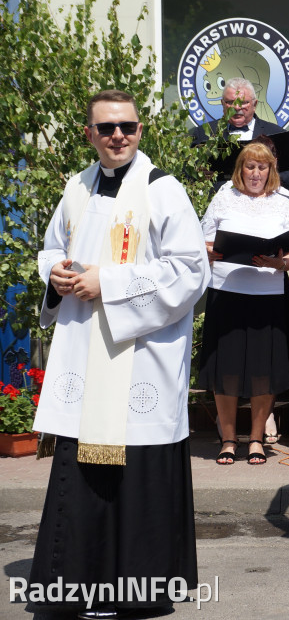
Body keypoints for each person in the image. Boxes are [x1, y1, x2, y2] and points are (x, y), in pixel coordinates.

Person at [31, 89, 210, 617]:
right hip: (87, 357)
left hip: (141, 360)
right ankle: (77, 585)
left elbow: (190, 270)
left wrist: (107, 282)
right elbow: (50, 250)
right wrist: (57, 276)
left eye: (127, 127)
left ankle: (137, 591)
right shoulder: (76, 188)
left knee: (137, 476)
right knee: (82, 473)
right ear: (89, 134)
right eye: (106, 128)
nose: (117, 137)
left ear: (139, 131)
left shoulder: (163, 191)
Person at [198, 142, 289, 466]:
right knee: (225, 368)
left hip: (267, 296)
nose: (256, 173)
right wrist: (210, 251)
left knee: (262, 369)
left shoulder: (282, 204)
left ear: (271, 171)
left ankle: (256, 438)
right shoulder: (224, 197)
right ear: (241, 169)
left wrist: (280, 264)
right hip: (227, 292)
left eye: (262, 167)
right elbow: (202, 242)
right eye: (250, 166)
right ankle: (228, 439)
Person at [189, 77, 289, 189]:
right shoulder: (204, 133)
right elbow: (187, 173)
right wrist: (202, 176)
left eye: (243, 102)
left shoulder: (276, 133)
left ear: (254, 104)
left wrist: (265, 181)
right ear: (222, 104)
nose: (237, 107)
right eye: (230, 102)